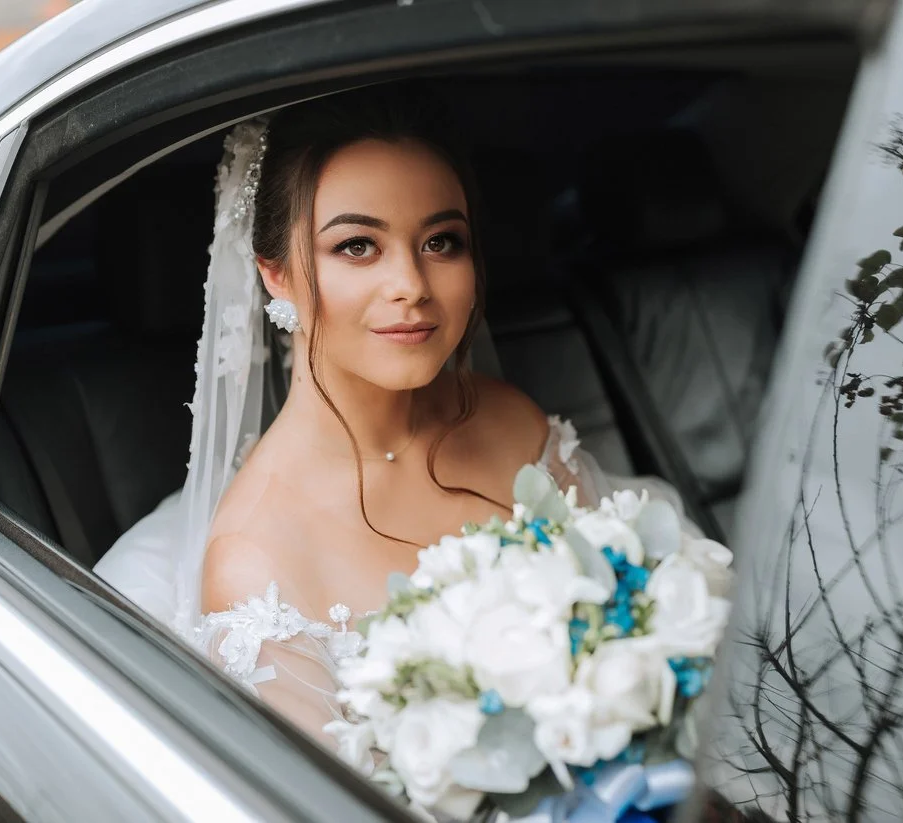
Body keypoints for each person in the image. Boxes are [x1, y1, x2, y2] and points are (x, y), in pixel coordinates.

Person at [94, 83, 692, 762]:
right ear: (276, 274)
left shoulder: (510, 422)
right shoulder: (257, 564)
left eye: (441, 241)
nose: (411, 282)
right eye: (357, 246)